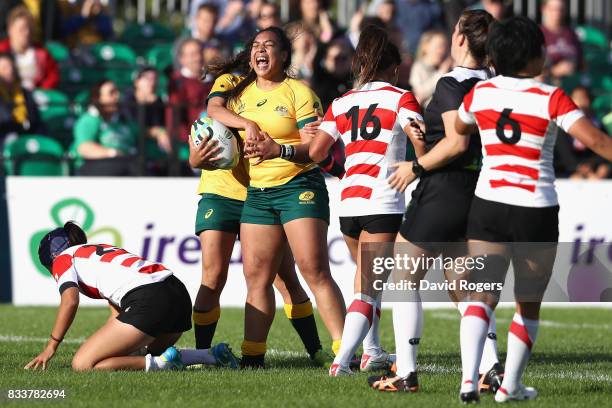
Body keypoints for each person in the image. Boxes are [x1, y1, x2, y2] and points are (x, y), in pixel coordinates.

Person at [390, 16, 612, 402]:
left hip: (488, 205)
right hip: (533, 205)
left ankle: (465, 382)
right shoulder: (550, 96)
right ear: (536, 55)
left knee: (477, 295)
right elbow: (595, 141)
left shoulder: (480, 94)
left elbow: (458, 132)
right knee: (527, 303)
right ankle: (507, 384)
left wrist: (426, 153)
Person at [366, 9, 499, 394]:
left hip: (443, 191)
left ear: (460, 38)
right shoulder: (495, 82)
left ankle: (405, 373)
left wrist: (416, 166)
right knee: (464, 286)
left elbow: (456, 143)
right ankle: (490, 369)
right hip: (478, 190)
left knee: (404, 278)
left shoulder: (452, 83)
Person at [207, 26, 346, 368]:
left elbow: (315, 150)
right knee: (256, 276)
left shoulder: (299, 93)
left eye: (269, 45)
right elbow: (215, 111)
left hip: (299, 187)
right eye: (256, 45)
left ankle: (347, 351)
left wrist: (277, 148)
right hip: (258, 193)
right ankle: (253, 357)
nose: (261, 50)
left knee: (314, 270)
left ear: (284, 56)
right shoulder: (239, 95)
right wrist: (246, 126)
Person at [309, 24, 423, 377]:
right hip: (383, 201)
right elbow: (422, 147)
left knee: (365, 282)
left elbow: (315, 152)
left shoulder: (341, 102)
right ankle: (342, 362)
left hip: (350, 202)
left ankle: (372, 351)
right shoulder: (401, 97)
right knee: (369, 290)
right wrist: (418, 167)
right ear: (392, 68)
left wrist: (343, 170)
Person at [25, 221, 239, 371]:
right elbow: (116, 313)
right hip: (178, 296)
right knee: (131, 357)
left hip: (150, 300)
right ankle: (209, 356)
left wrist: (51, 347)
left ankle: (163, 365)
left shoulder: (63, 258)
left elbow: (70, 301)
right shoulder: (97, 250)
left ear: (51, 259)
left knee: (82, 364)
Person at [73, 80, 139, 176]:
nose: (117, 96)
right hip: (94, 168)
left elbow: (142, 132)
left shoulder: (122, 120)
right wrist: (112, 153)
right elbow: (84, 148)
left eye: (117, 92)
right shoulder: (89, 120)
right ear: (98, 98)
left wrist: (158, 132)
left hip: (126, 166)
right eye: (112, 93)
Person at [0, 6, 60, 90]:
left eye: (29, 28)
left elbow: (53, 75)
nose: (27, 33)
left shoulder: (42, 53)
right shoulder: (2, 51)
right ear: (10, 30)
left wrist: (40, 91)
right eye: (22, 29)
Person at [166, 38, 213, 144]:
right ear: (182, 59)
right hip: (190, 142)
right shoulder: (177, 82)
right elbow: (175, 118)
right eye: (193, 54)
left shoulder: (213, 80)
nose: (198, 58)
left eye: (199, 53)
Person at [0, 52, 45, 140]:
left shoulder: (26, 93)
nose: (10, 70)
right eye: (4, 68)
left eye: (11, 66)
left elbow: (36, 120)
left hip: (28, 135)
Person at [540, 0, 582, 82]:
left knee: (580, 92)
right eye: (553, 9)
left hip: (572, 82)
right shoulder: (537, 33)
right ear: (543, 9)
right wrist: (554, 71)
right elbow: (530, 69)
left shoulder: (571, 34)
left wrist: (573, 66)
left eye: (561, 9)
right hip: (547, 82)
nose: (557, 13)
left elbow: (582, 64)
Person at [409, 29, 452, 107]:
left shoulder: (449, 68)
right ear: (426, 47)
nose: (443, 50)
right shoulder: (418, 67)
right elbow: (420, 93)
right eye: (439, 46)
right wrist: (442, 72)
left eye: (445, 46)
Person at [311, 38, 354, 110]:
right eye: (334, 58)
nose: (338, 62)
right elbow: (317, 58)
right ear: (326, 60)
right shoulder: (321, 79)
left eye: (343, 58)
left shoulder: (356, 80)